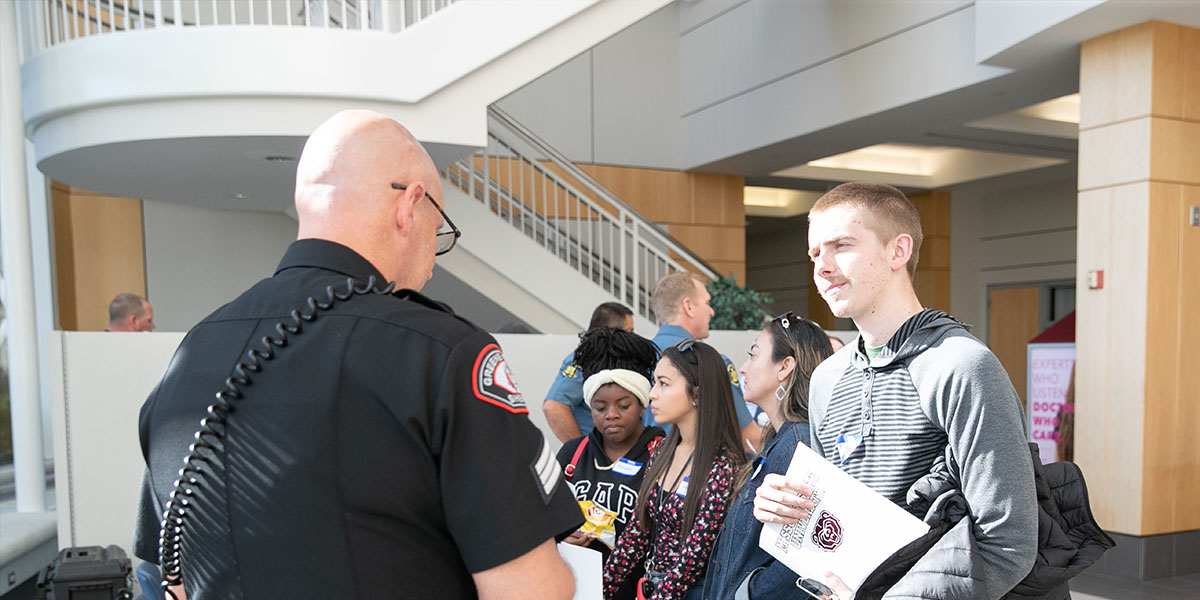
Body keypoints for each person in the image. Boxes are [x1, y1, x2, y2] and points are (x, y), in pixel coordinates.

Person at [132, 110, 581, 600]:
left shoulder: (194, 352)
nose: (431, 267)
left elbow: (165, 576)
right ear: (410, 205)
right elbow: (531, 592)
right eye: (439, 232)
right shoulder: (443, 356)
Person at [753, 182, 1037, 599]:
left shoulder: (960, 366)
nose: (822, 267)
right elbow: (833, 526)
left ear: (898, 251)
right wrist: (785, 509)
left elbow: (1008, 544)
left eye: (841, 246)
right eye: (815, 253)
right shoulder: (828, 379)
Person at [703, 312, 833, 600]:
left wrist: (751, 592)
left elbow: (809, 551)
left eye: (753, 355)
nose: (743, 368)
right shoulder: (782, 440)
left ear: (784, 367)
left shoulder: (799, 445)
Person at [603, 341, 745, 600]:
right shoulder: (662, 451)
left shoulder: (724, 464)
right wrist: (599, 587)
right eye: (654, 382)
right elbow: (637, 532)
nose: (652, 394)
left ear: (697, 394)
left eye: (664, 383)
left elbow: (694, 558)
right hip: (656, 586)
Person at [556, 327, 664, 599]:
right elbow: (541, 522)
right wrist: (562, 537)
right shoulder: (572, 455)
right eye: (600, 407)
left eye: (623, 405)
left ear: (642, 404)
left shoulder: (663, 455)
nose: (611, 415)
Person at [645, 273, 758, 451]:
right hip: (695, 470)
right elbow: (748, 438)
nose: (712, 311)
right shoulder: (708, 364)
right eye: (706, 303)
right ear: (688, 307)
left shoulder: (635, 356)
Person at [544, 302, 636, 441]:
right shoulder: (584, 359)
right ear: (611, 332)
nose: (633, 338)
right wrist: (582, 452)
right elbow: (553, 407)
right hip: (598, 452)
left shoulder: (622, 358)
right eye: (629, 332)